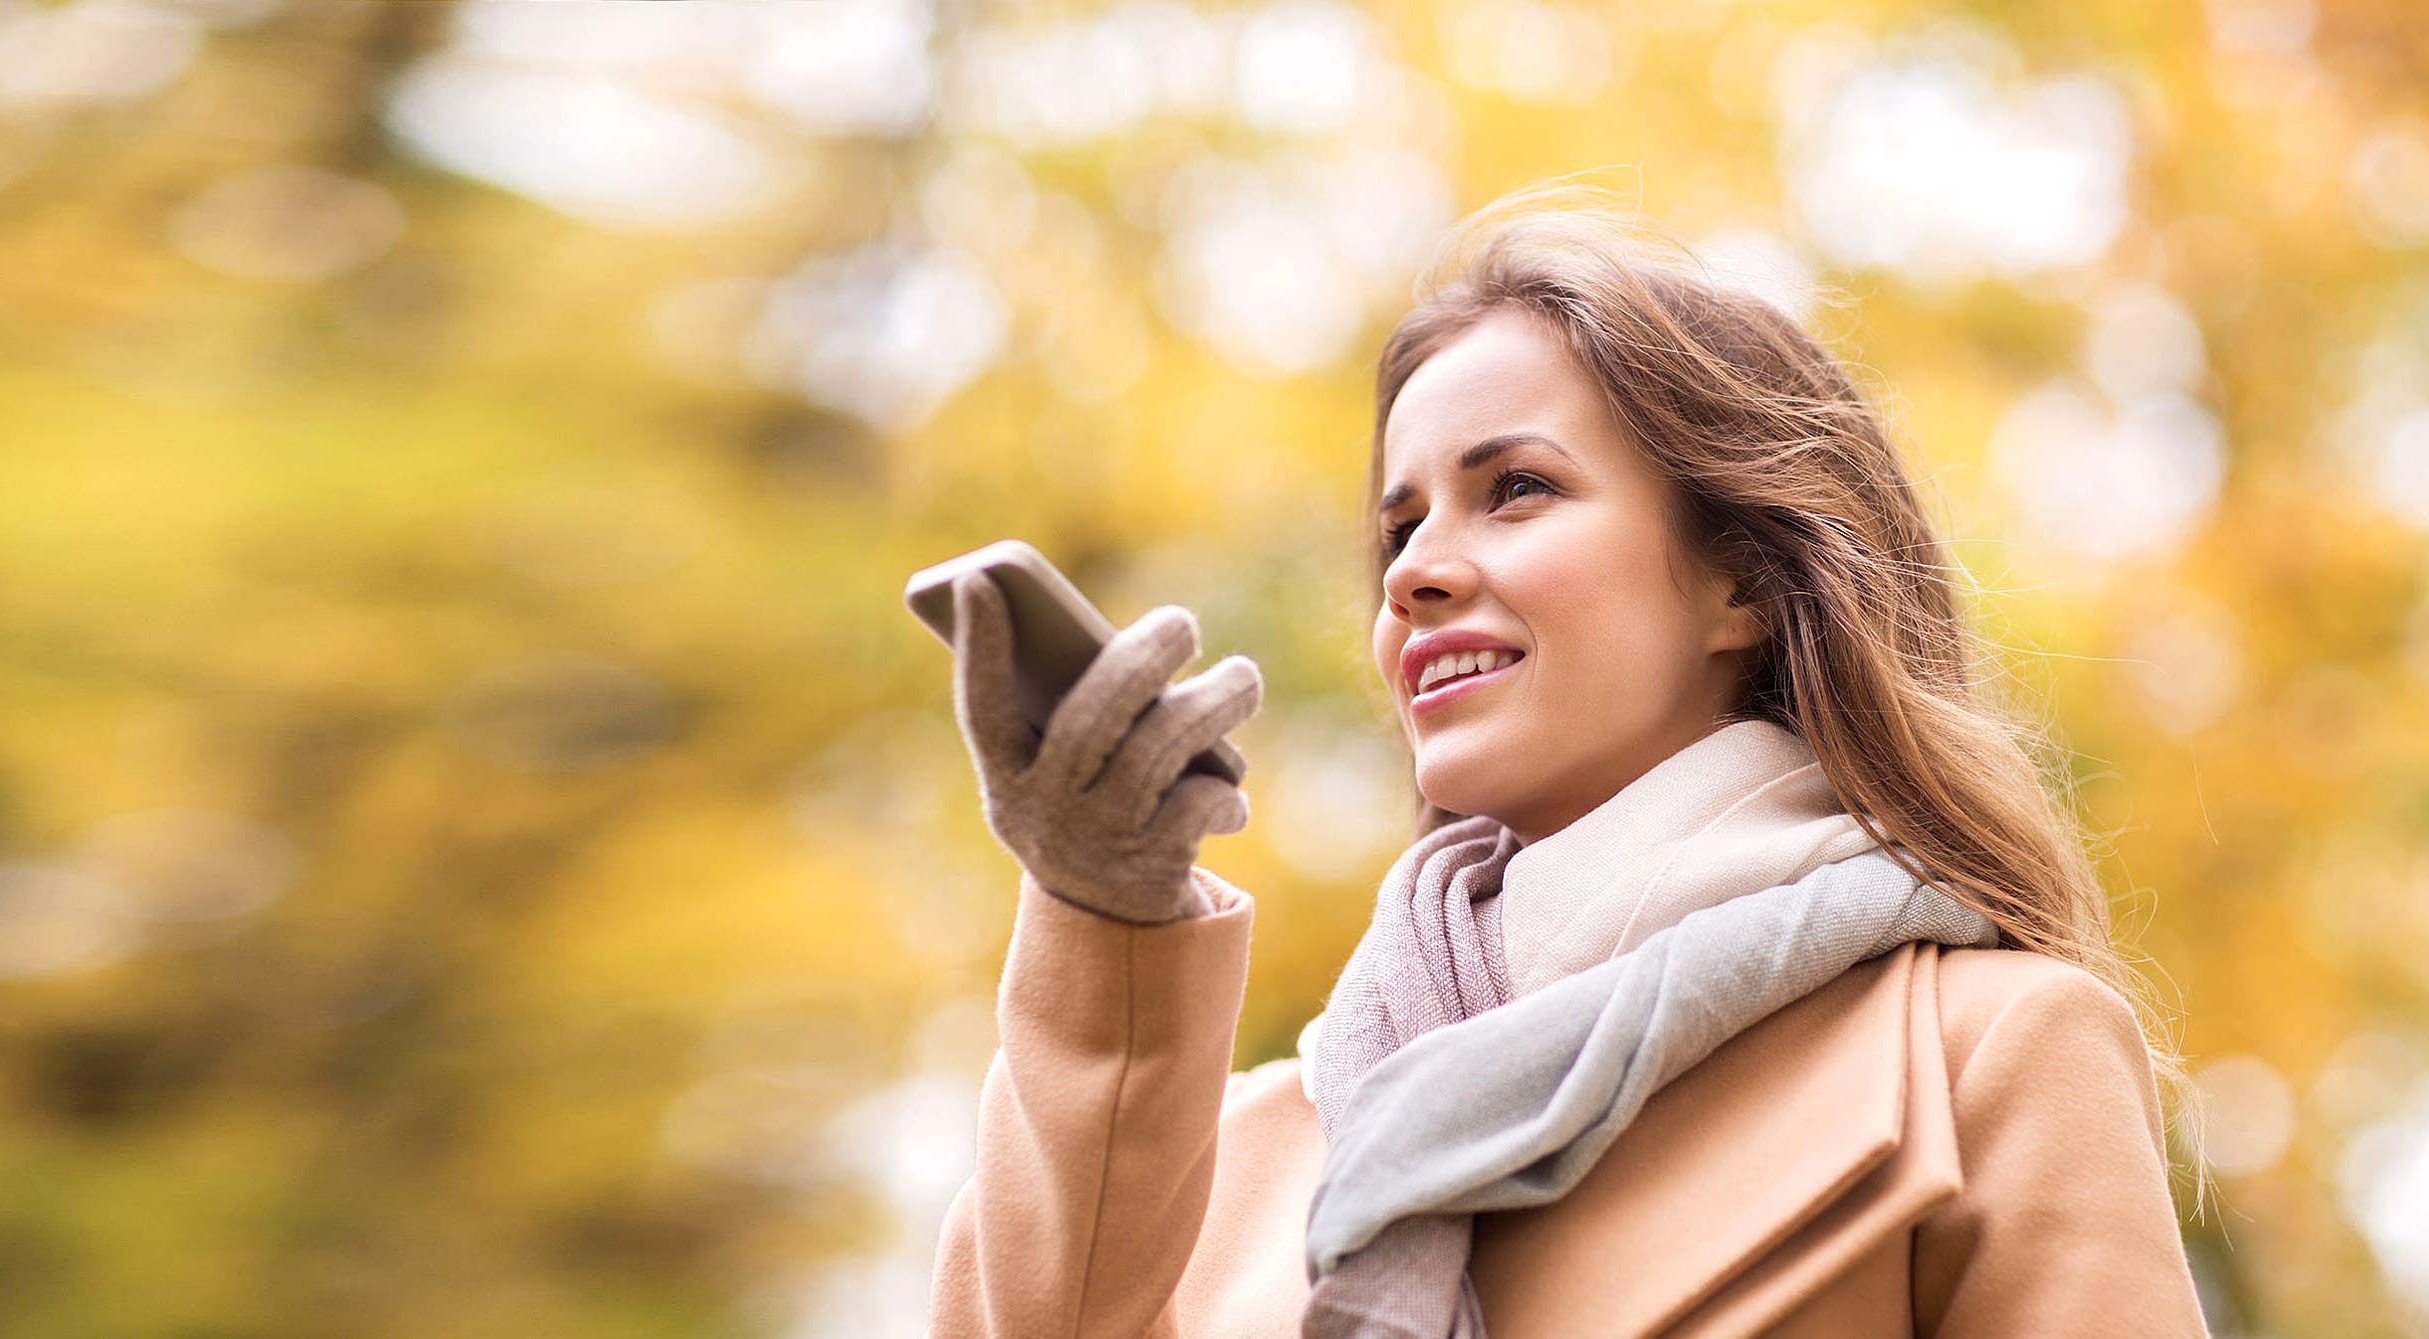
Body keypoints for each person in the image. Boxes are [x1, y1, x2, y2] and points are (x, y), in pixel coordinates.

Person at [924, 179, 2213, 1338]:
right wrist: (1107, 926)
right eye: (1399, 527)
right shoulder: (1235, 1152)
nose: (1416, 571)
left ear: (1739, 584)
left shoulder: (1981, 1053)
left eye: (1518, 488)